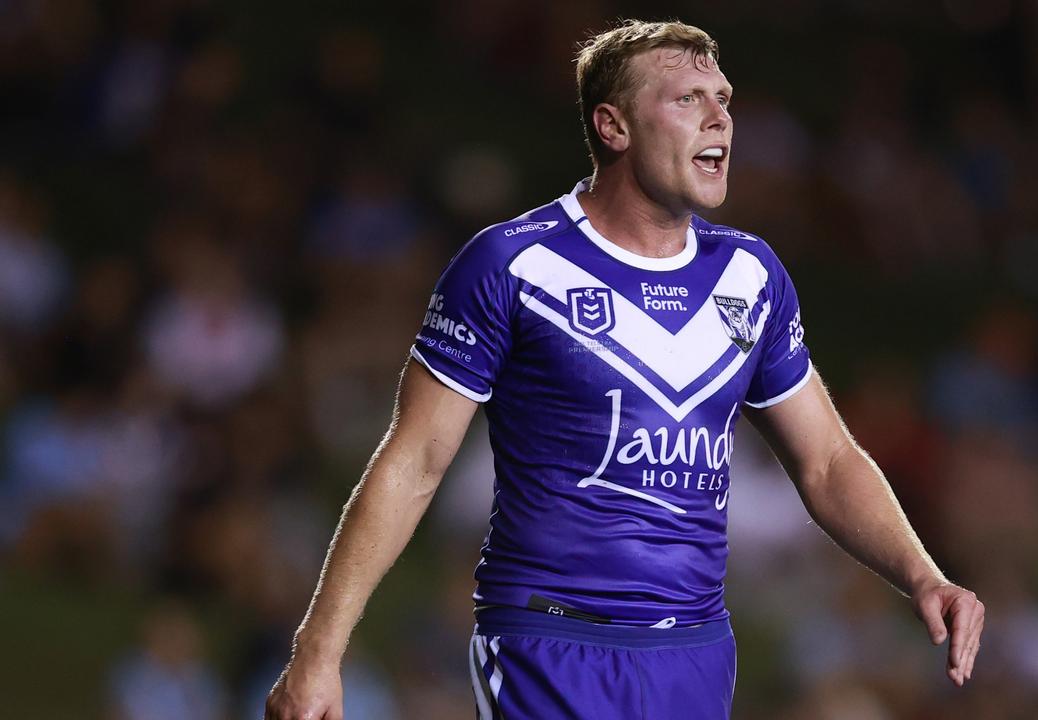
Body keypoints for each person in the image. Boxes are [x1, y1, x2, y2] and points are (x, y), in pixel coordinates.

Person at [266, 19, 984, 720]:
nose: (720, 120)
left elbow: (827, 461)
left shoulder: (751, 274)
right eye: (687, 100)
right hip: (549, 643)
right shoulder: (513, 263)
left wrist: (924, 575)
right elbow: (415, 458)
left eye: (723, 99)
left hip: (696, 652)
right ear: (613, 128)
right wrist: (319, 650)